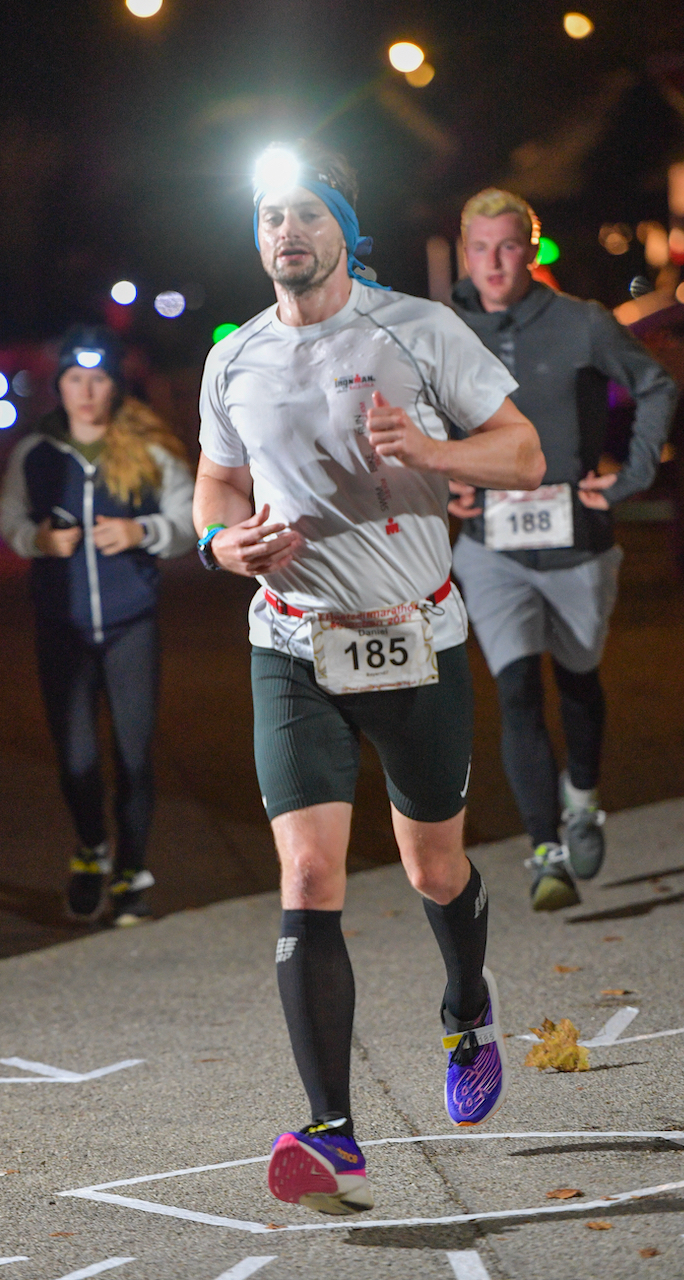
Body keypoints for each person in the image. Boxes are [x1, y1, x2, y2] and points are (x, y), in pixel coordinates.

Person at [194, 142, 545, 1216]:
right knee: (307, 875)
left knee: (433, 866)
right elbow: (213, 478)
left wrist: (433, 454)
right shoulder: (232, 357)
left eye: (303, 213)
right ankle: (332, 1131)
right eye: (266, 218)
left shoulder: (417, 331)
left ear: (342, 227)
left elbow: (522, 455)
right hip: (291, 641)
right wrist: (220, 546)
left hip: (416, 637)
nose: (283, 233)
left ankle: (464, 997)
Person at [449, 189, 677, 911]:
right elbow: (408, 419)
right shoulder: (442, 331)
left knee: (577, 680)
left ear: (532, 248)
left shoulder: (582, 322)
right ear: (463, 252)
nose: (493, 262)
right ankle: (544, 851)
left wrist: (630, 477)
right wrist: (444, 482)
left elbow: (656, 383)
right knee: (516, 690)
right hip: (491, 547)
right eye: (480, 247)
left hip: (577, 542)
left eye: (508, 246)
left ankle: (582, 794)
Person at [0, 324, 195, 925]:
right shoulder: (35, 453)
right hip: (62, 628)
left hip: (131, 623)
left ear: (116, 384)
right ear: (59, 385)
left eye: (99, 378)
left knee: (133, 758)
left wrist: (143, 533)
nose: (86, 391)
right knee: (77, 758)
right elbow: (8, 518)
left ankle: (133, 872)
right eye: (74, 379)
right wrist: (38, 539)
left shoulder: (150, 449)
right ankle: (91, 850)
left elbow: (190, 519)